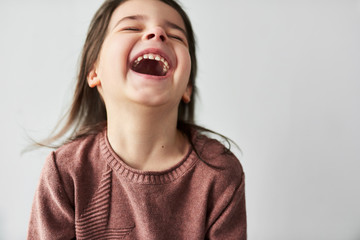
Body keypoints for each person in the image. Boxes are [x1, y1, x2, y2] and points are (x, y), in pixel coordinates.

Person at [27, 0, 247, 239]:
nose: (157, 33)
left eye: (176, 36)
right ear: (94, 71)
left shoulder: (219, 173)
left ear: (187, 88)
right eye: (131, 28)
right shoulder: (65, 171)